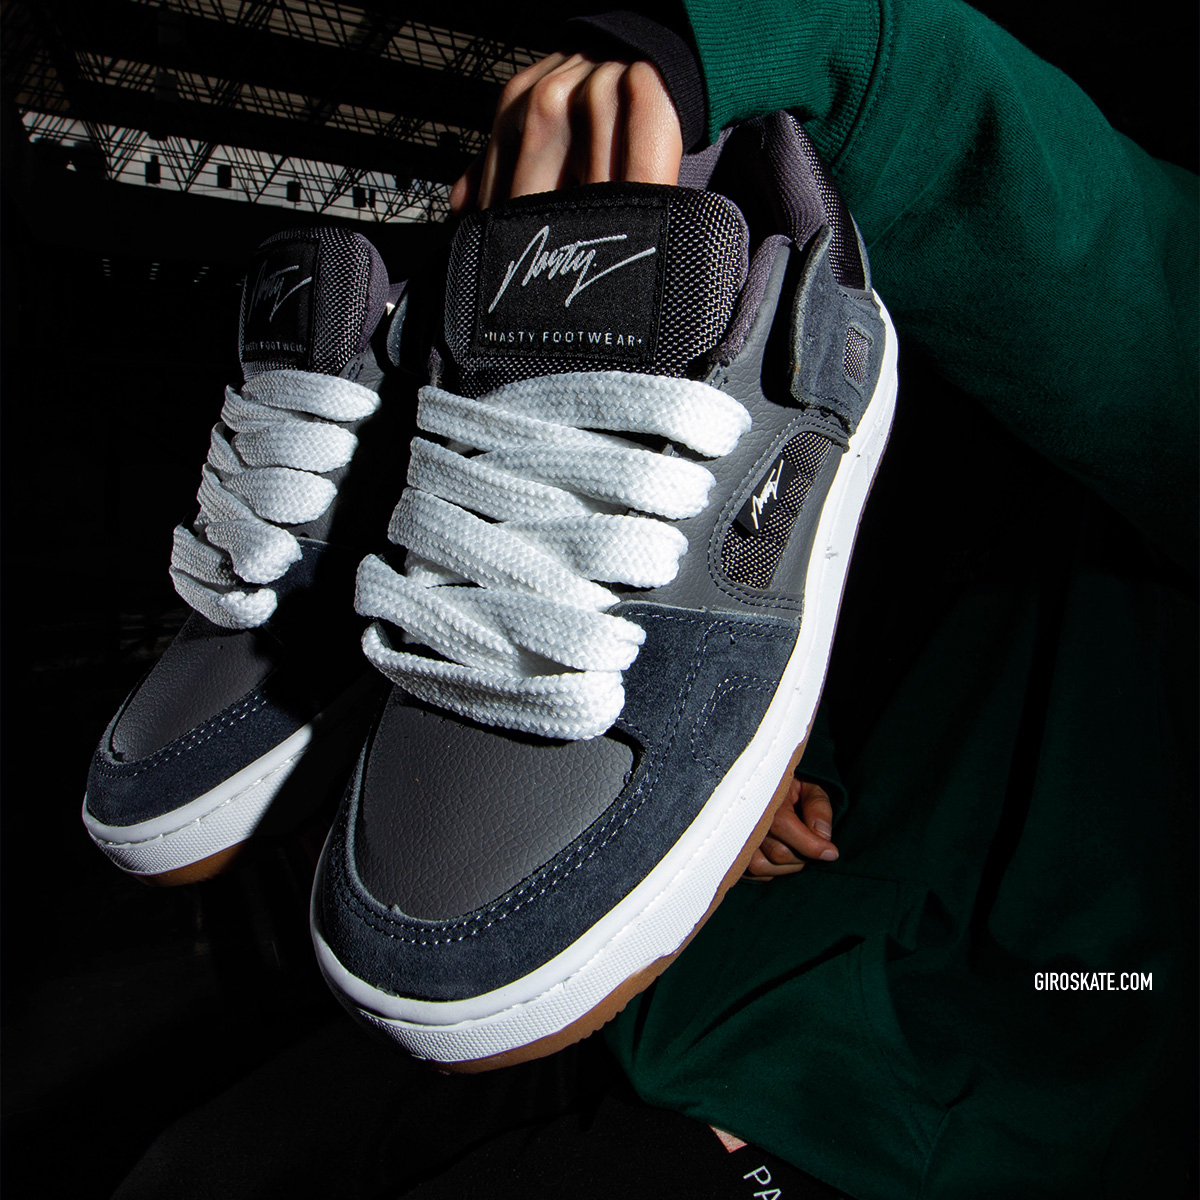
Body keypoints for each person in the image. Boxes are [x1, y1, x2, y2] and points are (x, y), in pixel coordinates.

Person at [115, 3, 1197, 1196]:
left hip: (894, 1097)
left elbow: (1131, 275)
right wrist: (795, 773)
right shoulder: (916, 390)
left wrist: (746, 47)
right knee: (191, 1174)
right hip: (659, 956)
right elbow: (839, 589)